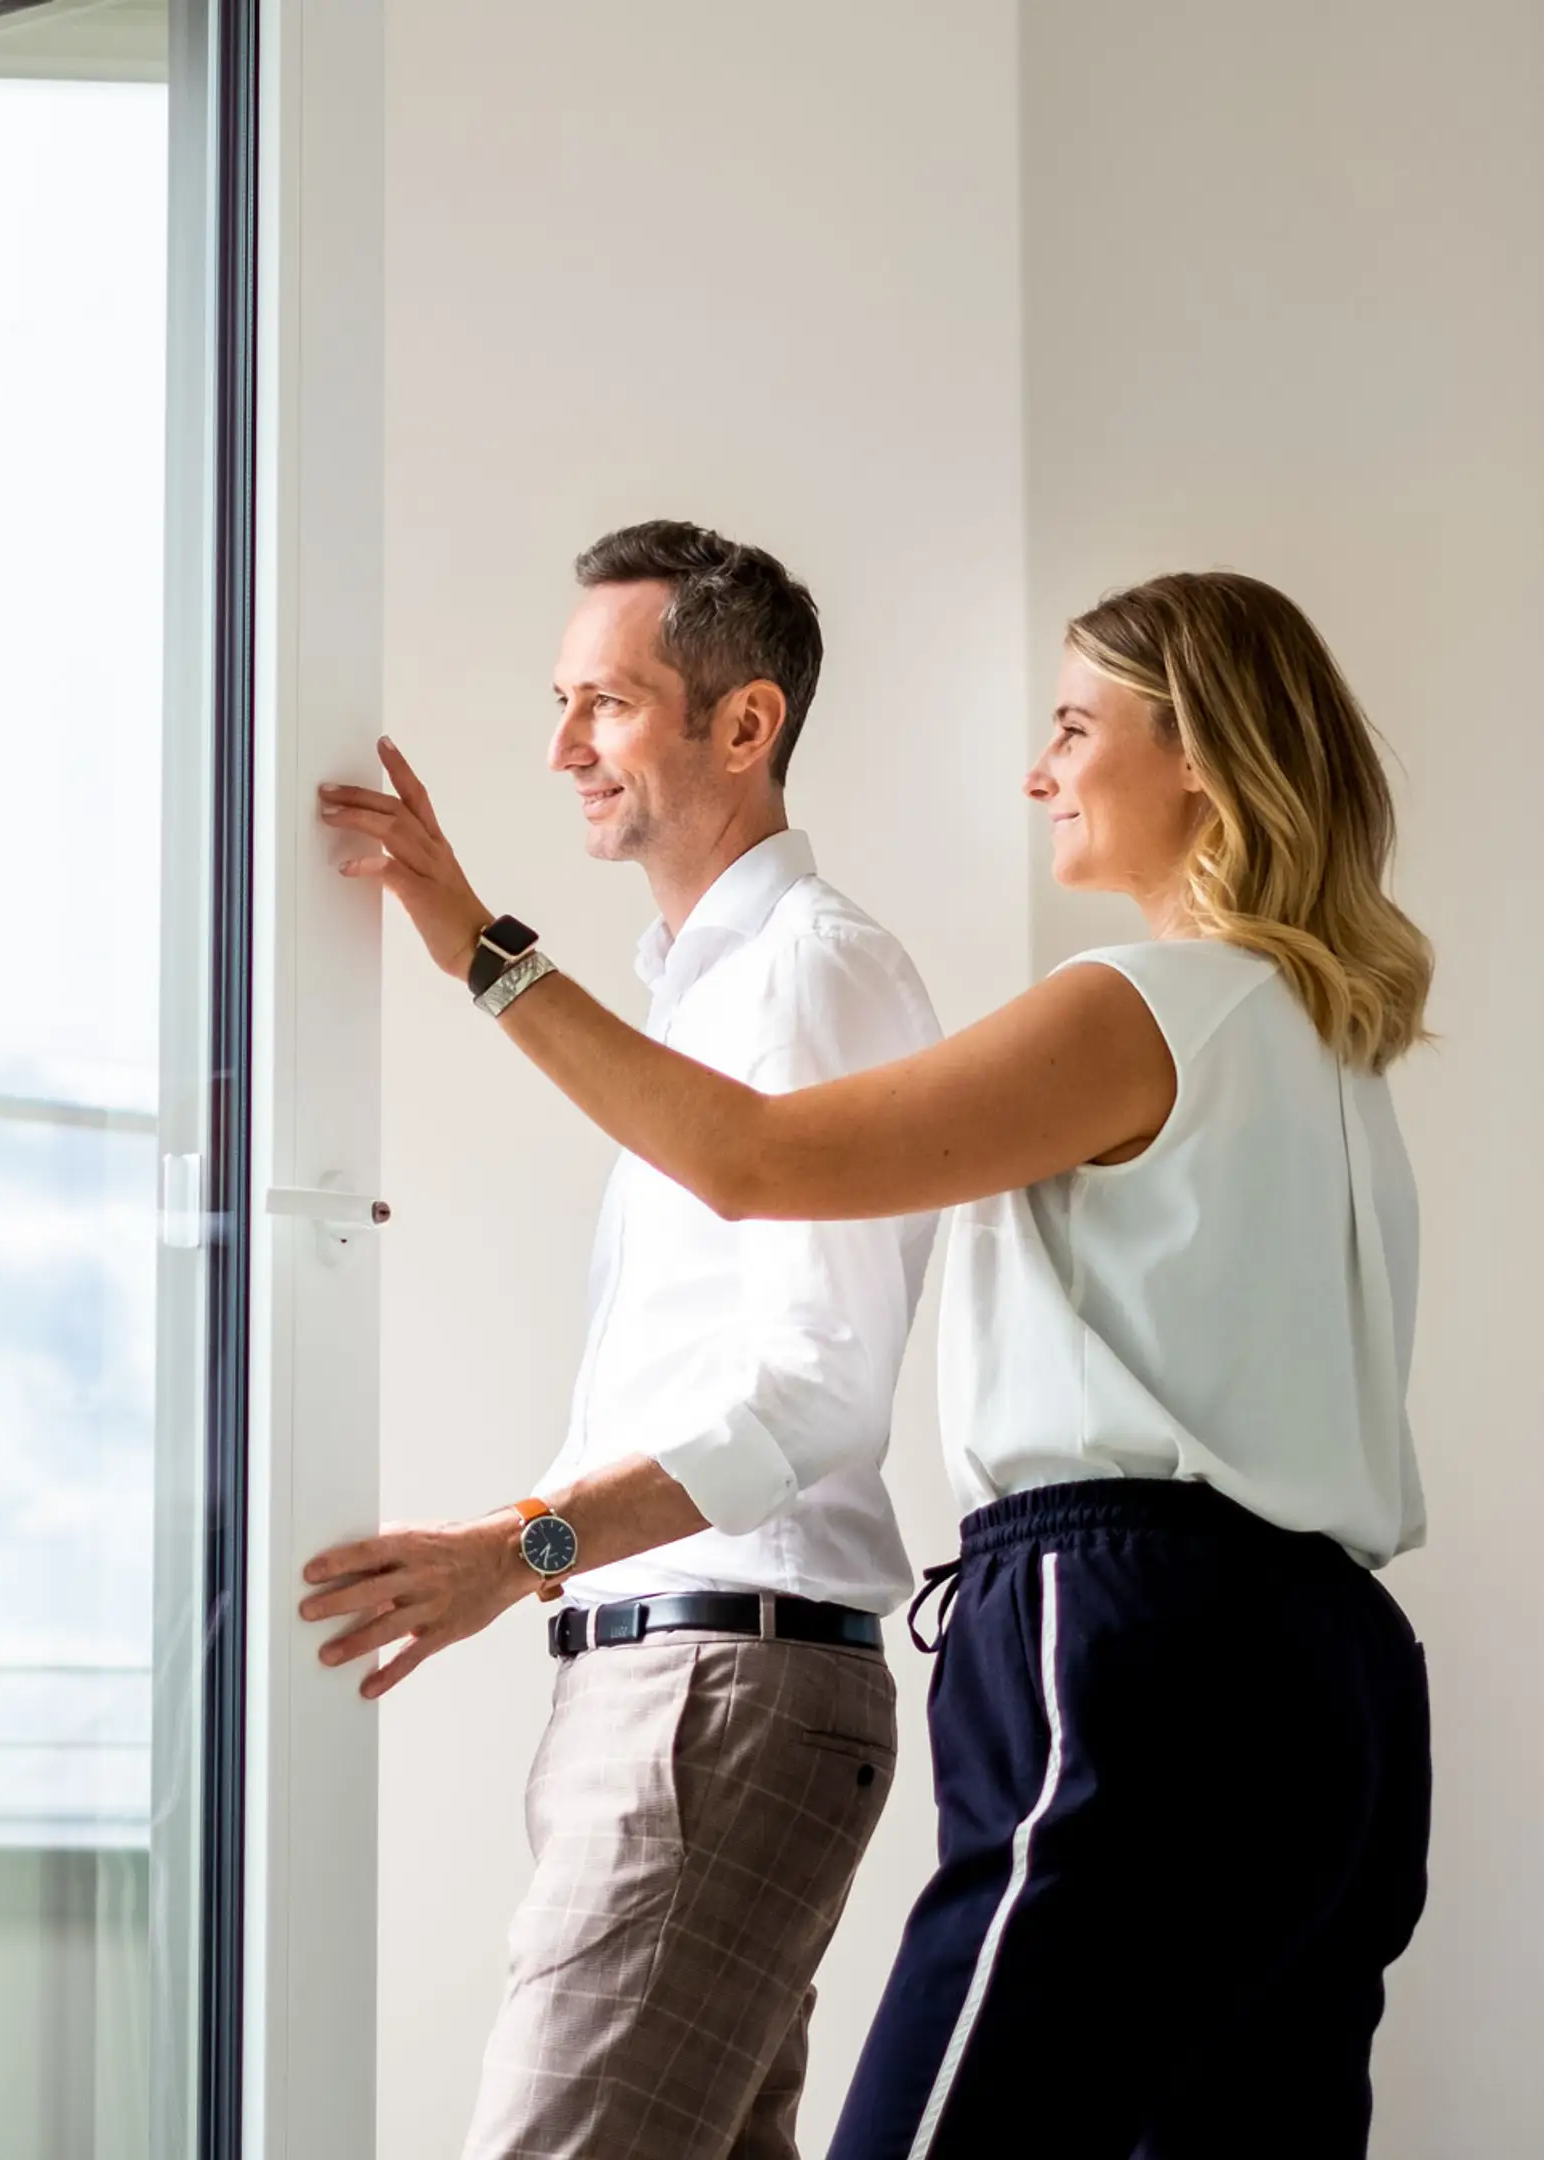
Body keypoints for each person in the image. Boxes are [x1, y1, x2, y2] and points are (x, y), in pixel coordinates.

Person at [321, 569, 1437, 2159]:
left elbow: (754, 1157)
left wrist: (480, 951)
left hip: (1129, 1633)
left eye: (1072, 726)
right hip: (1338, 1672)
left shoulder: (1140, 1011)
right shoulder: (1335, 1056)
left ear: (1201, 755)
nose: (1042, 772)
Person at [294, 520, 945, 2160]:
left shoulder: (812, 974)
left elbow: (816, 1401)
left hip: (719, 1689)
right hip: (679, 1687)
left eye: (609, 703)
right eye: (561, 701)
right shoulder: (702, 991)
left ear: (746, 724)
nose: (561, 746)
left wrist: (525, 1547)